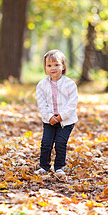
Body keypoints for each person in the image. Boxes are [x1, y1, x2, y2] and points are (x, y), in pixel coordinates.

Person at [35, 49, 78, 178]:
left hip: (66, 121)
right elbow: (41, 103)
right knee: (46, 143)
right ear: (45, 67)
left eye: (56, 65)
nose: (53, 68)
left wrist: (61, 116)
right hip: (49, 120)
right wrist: (49, 117)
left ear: (63, 66)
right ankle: (44, 166)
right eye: (49, 65)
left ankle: (59, 167)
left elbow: (72, 103)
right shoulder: (42, 85)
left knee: (60, 142)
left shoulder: (69, 84)